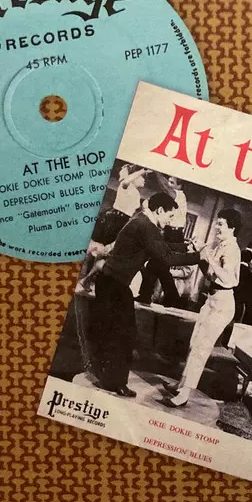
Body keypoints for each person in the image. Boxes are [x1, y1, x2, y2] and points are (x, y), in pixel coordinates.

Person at [92, 192, 200, 397]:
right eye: (169, 216)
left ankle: (108, 378)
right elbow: (166, 257)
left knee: (116, 332)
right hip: (114, 284)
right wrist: (199, 256)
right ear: (159, 210)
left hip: (110, 282)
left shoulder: (142, 221)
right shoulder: (146, 226)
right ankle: (113, 382)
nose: (170, 222)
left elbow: (161, 246)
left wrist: (186, 246)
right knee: (124, 334)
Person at [162, 208, 242, 407]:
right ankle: (181, 384)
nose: (216, 227)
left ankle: (184, 395)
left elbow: (229, 279)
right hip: (211, 300)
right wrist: (199, 255)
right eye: (217, 223)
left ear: (232, 227)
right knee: (194, 344)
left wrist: (209, 258)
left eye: (221, 224)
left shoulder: (232, 249)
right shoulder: (220, 245)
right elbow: (209, 275)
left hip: (223, 304)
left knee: (201, 348)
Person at [78, 164, 149, 292]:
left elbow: (132, 211)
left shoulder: (136, 193)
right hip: (115, 220)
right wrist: (142, 170)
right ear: (136, 176)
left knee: (106, 252)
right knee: (99, 250)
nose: (144, 181)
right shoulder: (127, 186)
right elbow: (126, 181)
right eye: (143, 177)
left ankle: (87, 279)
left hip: (123, 222)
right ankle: (84, 278)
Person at [137, 175, 188, 306]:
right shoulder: (170, 199)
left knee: (157, 265)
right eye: (169, 182)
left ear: (179, 186)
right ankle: (154, 296)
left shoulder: (180, 195)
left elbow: (165, 187)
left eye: (172, 182)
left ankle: (164, 297)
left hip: (174, 234)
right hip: (169, 233)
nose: (169, 184)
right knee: (157, 266)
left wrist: (155, 172)